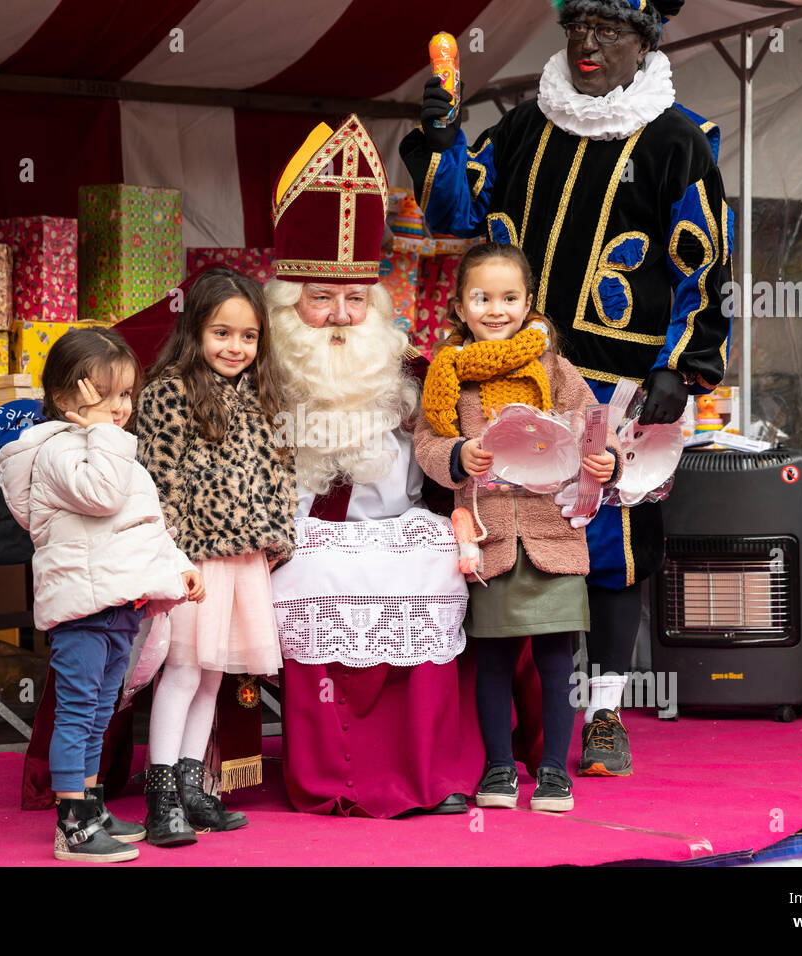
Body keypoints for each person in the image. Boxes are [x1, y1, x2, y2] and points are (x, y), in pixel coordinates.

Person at [402, 0, 732, 776]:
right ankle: (506, 728)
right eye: (576, 28)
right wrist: (442, 142)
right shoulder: (524, 127)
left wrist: (681, 365)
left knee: (611, 547)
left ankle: (607, 714)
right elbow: (455, 215)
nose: (587, 45)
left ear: (645, 40)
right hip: (511, 376)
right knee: (507, 535)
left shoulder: (677, 138)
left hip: (617, 382)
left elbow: (705, 267)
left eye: (608, 31)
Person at [265, 115, 483, 817]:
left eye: (354, 299)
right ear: (288, 305)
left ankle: (431, 774)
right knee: (321, 572)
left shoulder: (410, 373)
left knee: (435, 569)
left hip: (396, 531)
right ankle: (338, 779)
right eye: (321, 298)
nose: (338, 317)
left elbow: (449, 453)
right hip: (295, 538)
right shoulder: (258, 372)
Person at [414, 243, 621, 811]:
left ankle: (555, 769)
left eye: (509, 297)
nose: (496, 309)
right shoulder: (447, 372)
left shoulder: (554, 366)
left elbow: (593, 428)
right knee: (494, 657)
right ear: (459, 305)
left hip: (553, 532)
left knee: (557, 657)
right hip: (490, 539)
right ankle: (499, 768)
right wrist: (460, 454)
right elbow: (427, 444)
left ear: (528, 302)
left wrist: (607, 463)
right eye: (482, 297)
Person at [0, 327, 203, 863]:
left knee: (100, 713)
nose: (119, 408)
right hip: (83, 610)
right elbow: (103, 495)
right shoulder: (60, 452)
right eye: (104, 395)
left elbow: (143, 526)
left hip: (118, 606)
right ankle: (73, 824)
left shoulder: (107, 450)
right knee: (78, 710)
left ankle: (90, 803)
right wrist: (102, 433)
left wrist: (178, 566)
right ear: (65, 398)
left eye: (126, 395)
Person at [135, 268, 298, 845]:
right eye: (222, 333)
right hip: (193, 562)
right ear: (195, 330)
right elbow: (157, 483)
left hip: (245, 559)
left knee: (214, 677)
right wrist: (175, 557)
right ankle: (160, 799)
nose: (236, 347)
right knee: (180, 673)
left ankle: (192, 786)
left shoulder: (264, 395)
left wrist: (278, 539)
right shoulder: (168, 391)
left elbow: (283, 473)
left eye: (248, 336)